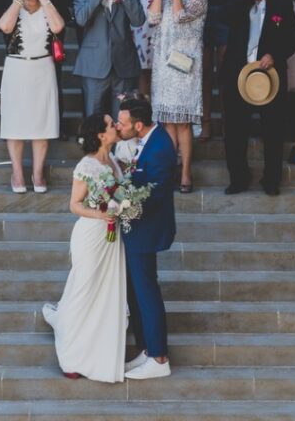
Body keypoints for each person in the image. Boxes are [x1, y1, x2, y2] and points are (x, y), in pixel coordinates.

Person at [42, 113, 127, 383]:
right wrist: (103, 214)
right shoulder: (86, 165)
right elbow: (75, 205)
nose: (116, 126)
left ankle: (96, 351)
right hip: (92, 234)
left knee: (105, 293)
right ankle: (71, 356)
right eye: (111, 124)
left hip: (112, 237)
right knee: (84, 289)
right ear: (102, 135)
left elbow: (121, 194)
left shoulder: (113, 160)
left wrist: (124, 205)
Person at [221, 0, 295, 195]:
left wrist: (275, 55)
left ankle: (271, 180)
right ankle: (238, 178)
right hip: (239, 74)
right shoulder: (238, 2)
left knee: (273, 129)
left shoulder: (282, 3)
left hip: (270, 76)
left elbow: (294, 37)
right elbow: (224, 16)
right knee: (235, 130)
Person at [116, 96, 177, 381]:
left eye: (123, 123)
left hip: (147, 228)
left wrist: (123, 204)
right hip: (137, 227)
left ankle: (159, 357)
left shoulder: (161, 147)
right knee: (135, 292)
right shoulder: (148, 140)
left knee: (146, 292)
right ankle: (146, 347)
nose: (119, 127)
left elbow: (156, 193)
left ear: (138, 125)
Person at [0, 0, 64, 191]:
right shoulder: (15, 10)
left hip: (43, 68)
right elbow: (4, 26)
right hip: (16, 68)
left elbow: (57, 26)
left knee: (42, 123)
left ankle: (38, 174)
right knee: (14, 123)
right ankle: (17, 173)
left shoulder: (49, 9)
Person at [148, 0, 207, 193]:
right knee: (168, 123)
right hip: (164, 67)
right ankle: (170, 169)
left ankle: (185, 172)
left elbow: (179, 16)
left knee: (182, 123)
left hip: (185, 66)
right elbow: (152, 18)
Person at [191, 0, 244, 141]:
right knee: (202, 71)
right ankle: (205, 122)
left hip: (225, 13)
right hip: (201, 14)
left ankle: (227, 120)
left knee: (225, 70)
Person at [72, 0, 145, 118]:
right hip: (94, 64)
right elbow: (81, 20)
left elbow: (138, 20)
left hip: (123, 63)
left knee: (123, 117)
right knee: (93, 116)